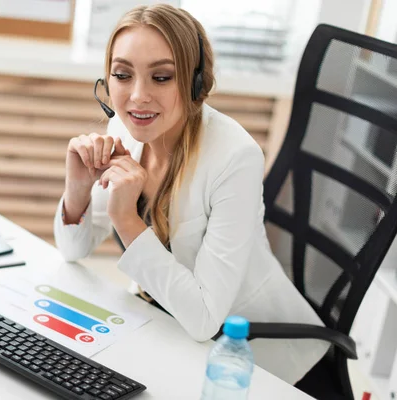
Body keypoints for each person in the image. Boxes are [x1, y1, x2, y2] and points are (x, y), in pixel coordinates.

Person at [53, 3, 329, 385]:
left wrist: (127, 221)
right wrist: (78, 188)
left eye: (161, 77)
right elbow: (73, 249)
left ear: (197, 83)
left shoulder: (235, 157)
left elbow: (203, 318)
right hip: (165, 327)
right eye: (122, 74)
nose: (137, 96)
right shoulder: (125, 129)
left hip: (249, 362)